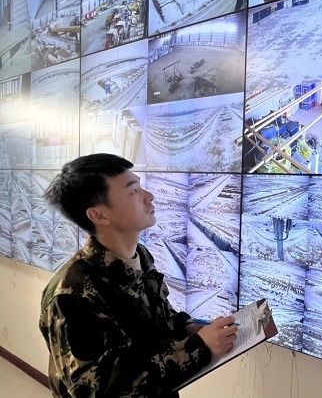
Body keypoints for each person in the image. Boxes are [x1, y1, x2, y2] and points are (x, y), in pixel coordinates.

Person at [39, 153, 238, 397]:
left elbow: (157, 323)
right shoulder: (71, 293)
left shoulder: (139, 256)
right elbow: (98, 388)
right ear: (99, 215)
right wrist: (198, 348)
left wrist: (188, 329)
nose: (149, 196)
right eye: (133, 191)